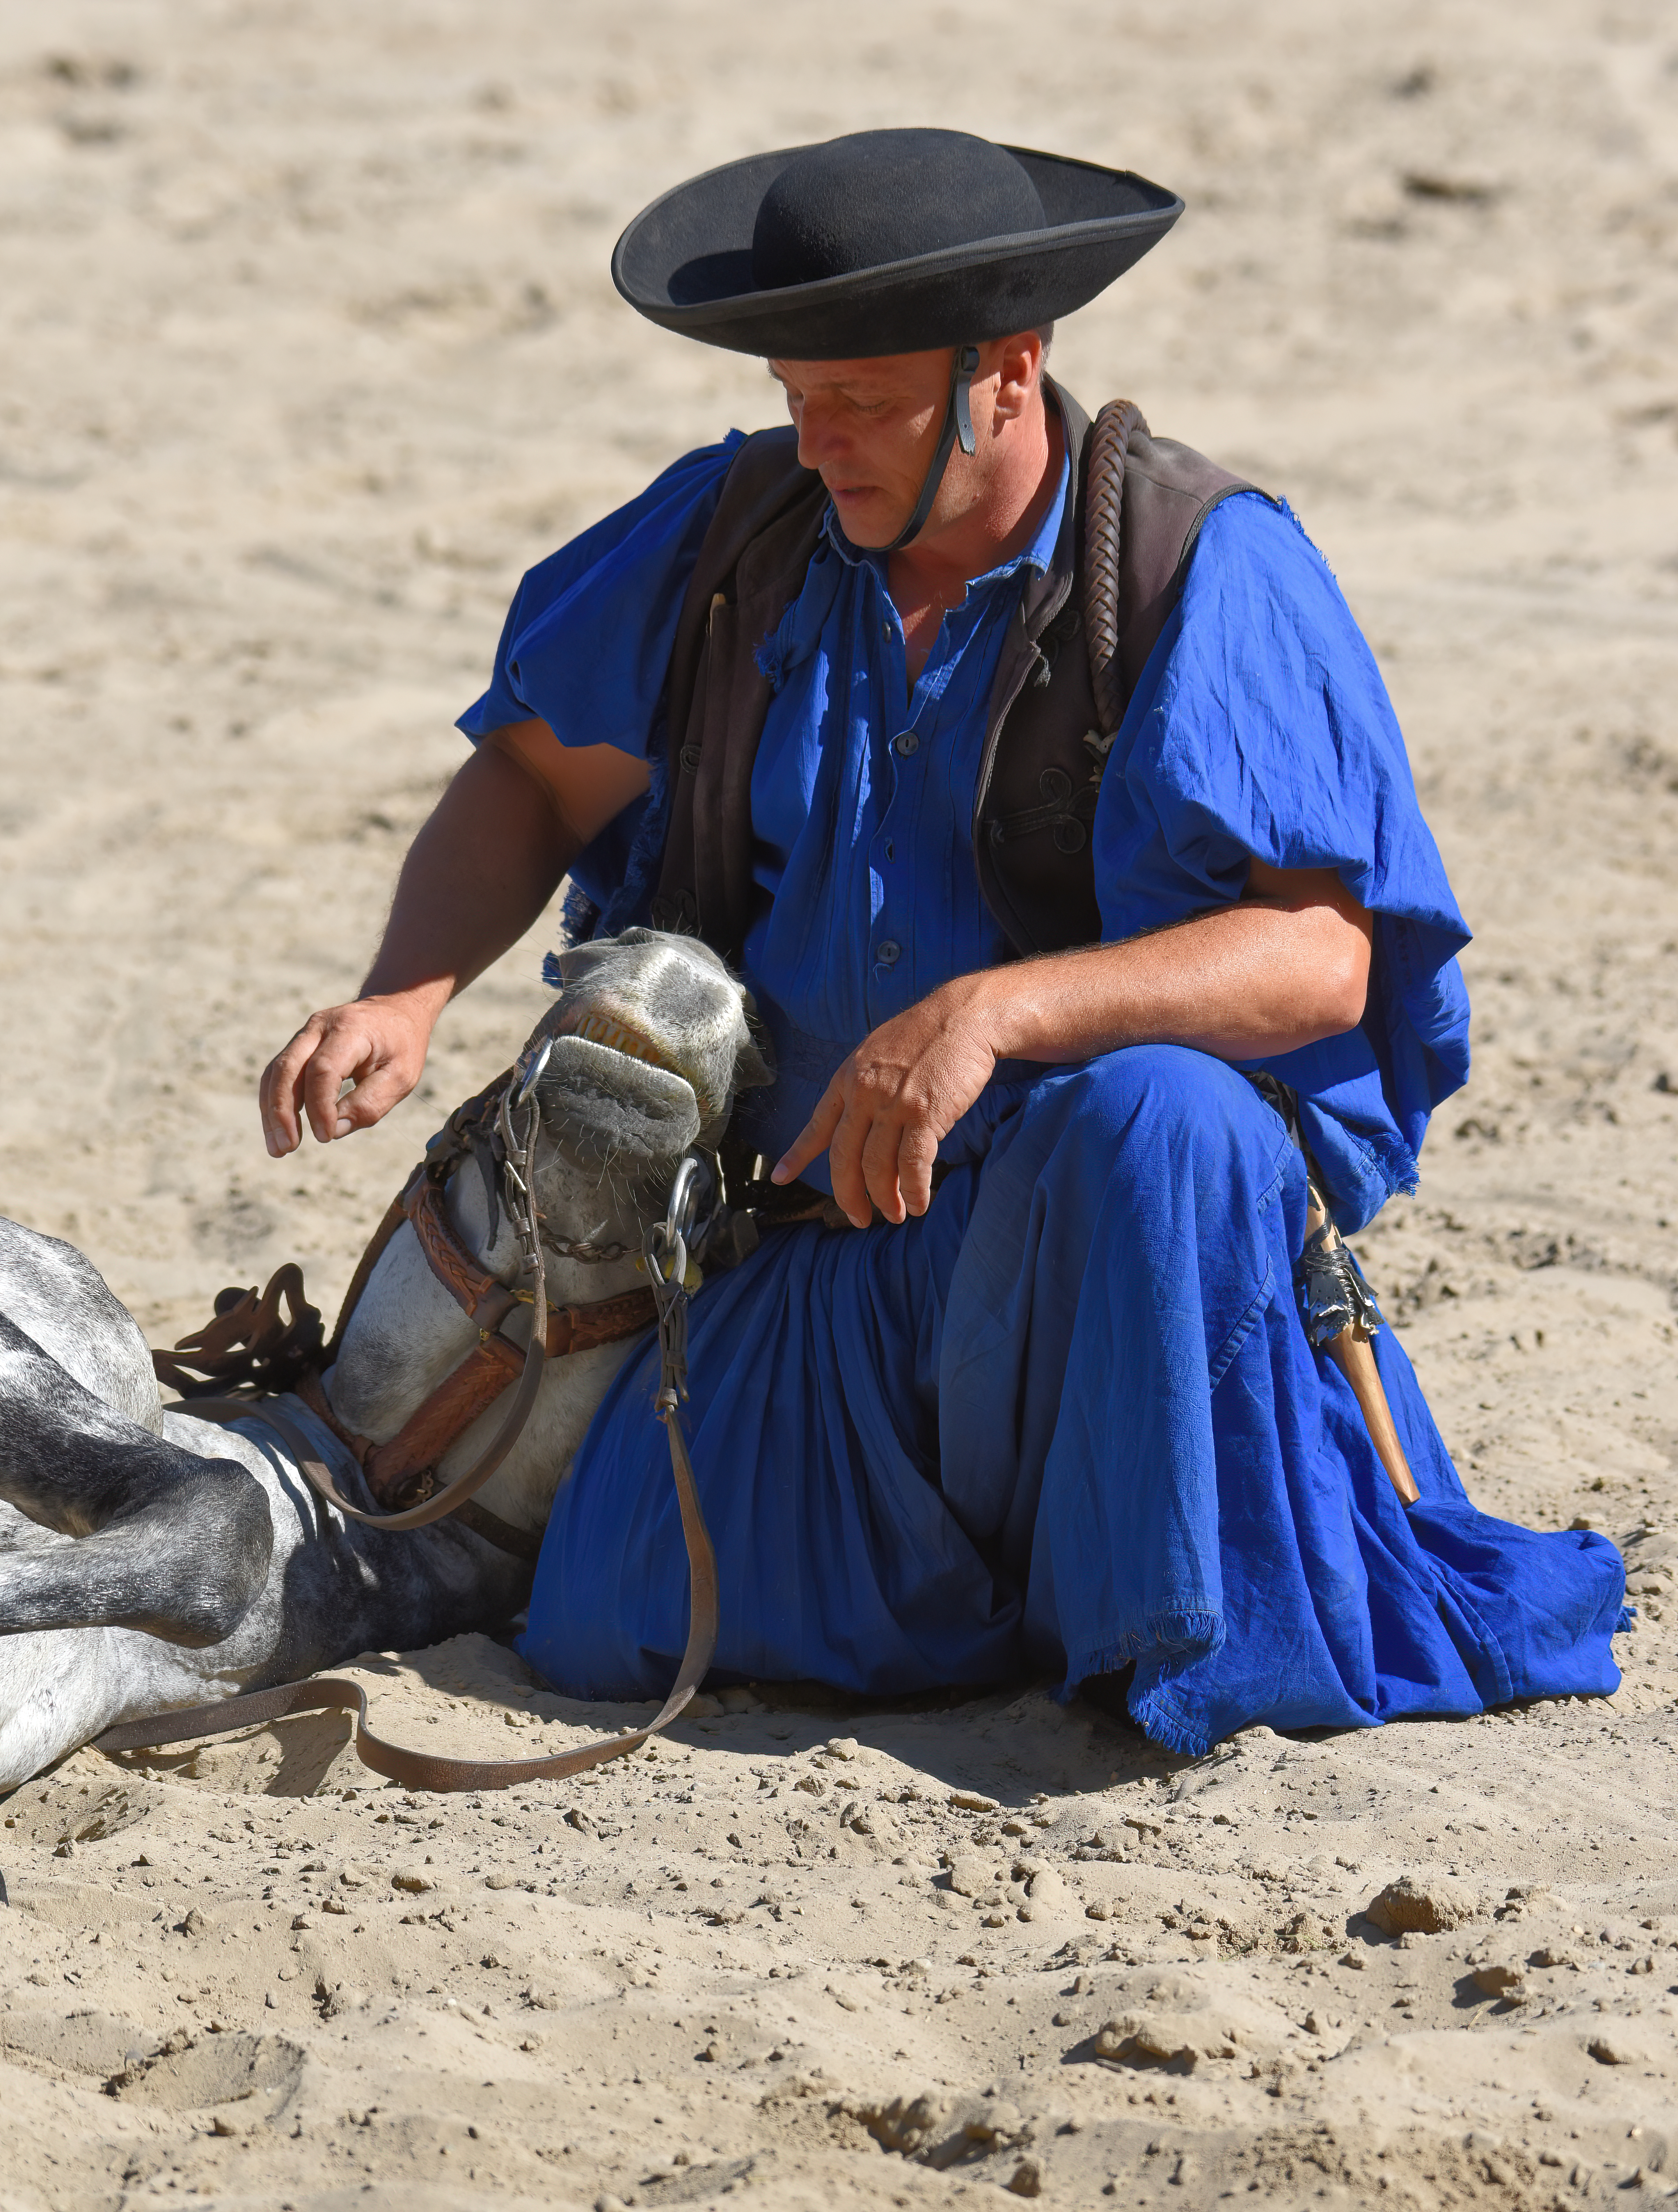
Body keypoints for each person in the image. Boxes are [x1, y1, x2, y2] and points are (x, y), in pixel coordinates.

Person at [259, 129, 1624, 1754]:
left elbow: (1322, 959)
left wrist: (1002, 1012)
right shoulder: (735, 546)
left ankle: (1150, 1629)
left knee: (1166, 1116)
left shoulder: (1205, 564)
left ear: (1009, 374)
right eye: (794, 395)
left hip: (1108, 1262)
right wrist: (405, 994)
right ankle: (1018, 1588)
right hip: (810, 1255)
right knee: (604, 1622)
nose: (815, 441)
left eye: (862, 401)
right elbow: (538, 777)